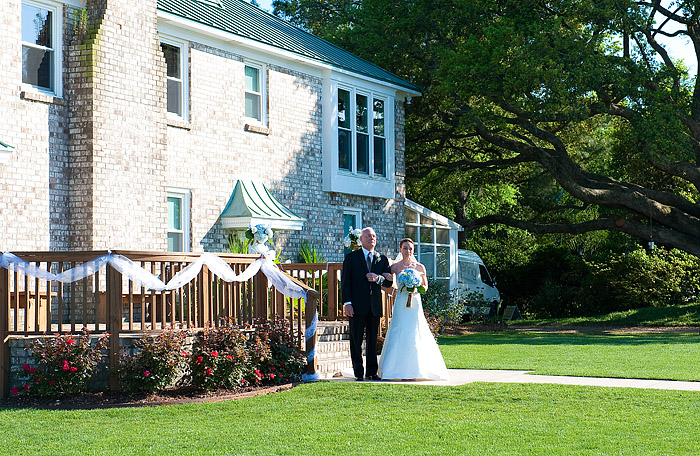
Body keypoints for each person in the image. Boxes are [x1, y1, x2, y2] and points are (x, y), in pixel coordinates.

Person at [378, 238, 449, 381]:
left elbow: (426, 286)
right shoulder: (395, 267)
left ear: (413, 250)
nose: (407, 251)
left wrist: (416, 287)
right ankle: (394, 370)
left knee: (415, 331)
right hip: (401, 303)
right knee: (399, 330)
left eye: (410, 248)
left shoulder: (420, 267)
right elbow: (387, 280)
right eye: (405, 248)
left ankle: (416, 369)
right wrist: (383, 277)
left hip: (415, 303)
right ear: (400, 250)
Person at [341, 227, 393, 381]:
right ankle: (358, 372)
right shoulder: (352, 258)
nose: (372, 238)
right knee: (356, 339)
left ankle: (371, 372)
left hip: (374, 305)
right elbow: (345, 283)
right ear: (361, 239)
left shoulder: (381, 259)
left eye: (374, 236)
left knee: (372, 340)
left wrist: (378, 279)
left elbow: (389, 282)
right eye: (368, 236)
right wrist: (347, 303)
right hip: (356, 305)